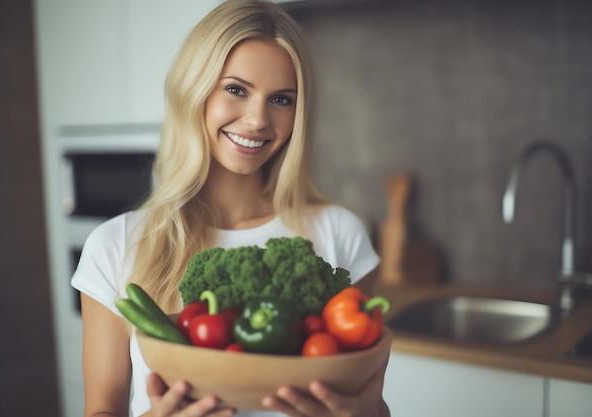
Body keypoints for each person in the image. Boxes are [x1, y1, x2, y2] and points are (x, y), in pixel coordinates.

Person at [71, 1, 390, 416]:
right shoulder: (114, 245)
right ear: (194, 90)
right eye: (236, 89)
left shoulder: (340, 233)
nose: (258, 119)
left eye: (281, 99)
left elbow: (370, 404)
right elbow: (101, 409)